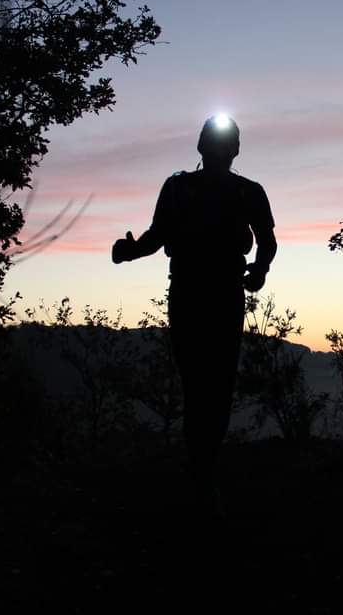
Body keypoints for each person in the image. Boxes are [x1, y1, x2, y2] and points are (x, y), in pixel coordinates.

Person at [112, 114, 277, 518]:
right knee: (206, 383)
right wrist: (130, 251)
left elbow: (267, 243)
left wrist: (258, 270)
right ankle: (202, 474)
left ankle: (201, 474)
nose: (221, 148)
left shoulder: (204, 189)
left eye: (223, 141)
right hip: (201, 294)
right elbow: (156, 237)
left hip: (209, 294)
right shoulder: (192, 187)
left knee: (207, 383)